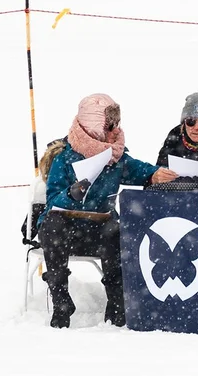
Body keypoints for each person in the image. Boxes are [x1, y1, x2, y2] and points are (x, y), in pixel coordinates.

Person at [37, 93, 176, 328]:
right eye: (110, 124)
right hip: (66, 233)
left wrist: (155, 174)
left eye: (116, 123)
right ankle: (62, 302)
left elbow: (139, 170)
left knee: (115, 229)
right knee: (52, 226)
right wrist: (71, 194)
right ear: (94, 126)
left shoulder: (117, 157)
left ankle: (117, 306)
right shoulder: (63, 158)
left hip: (99, 232)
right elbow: (52, 202)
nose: (115, 129)